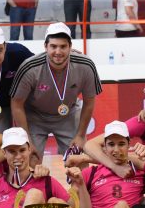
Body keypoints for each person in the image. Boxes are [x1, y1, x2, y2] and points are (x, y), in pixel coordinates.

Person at [10, 22, 102, 156]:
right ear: (45, 46)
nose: (58, 52)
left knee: (77, 157)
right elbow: (16, 104)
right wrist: (26, 138)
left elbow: (89, 102)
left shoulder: (85, 65)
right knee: (31, 158)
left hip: (68, 115)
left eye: (63, 46)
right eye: (53, 46)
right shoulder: (30, 67)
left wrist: (81, 135)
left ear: (70, 46)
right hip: (35, 116)